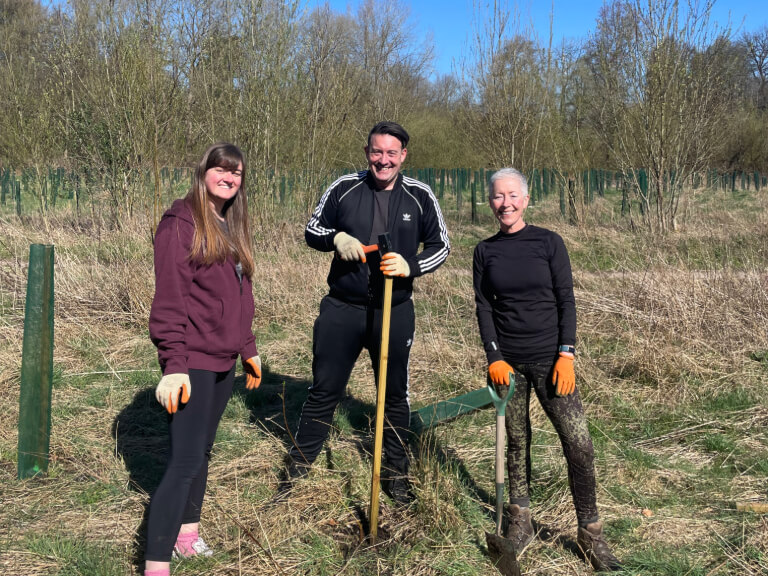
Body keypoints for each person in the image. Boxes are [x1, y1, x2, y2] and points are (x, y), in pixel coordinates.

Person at [283, 121, 450, 505]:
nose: (384, 160)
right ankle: (298, 470)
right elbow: (312, 229)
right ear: (367, 152)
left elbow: (442, 245)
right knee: (324, 391)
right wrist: (336, 238)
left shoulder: (420, 196)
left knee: (393, 396)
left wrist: (412, 266)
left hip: (395, 310)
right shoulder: (344, 188)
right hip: (342, 308)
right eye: (377, 152)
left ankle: (395, 476)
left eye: (392, 153)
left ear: (404, 156)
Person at [473, 168, 621, 571]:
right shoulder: (485, 251)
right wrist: (494, 357)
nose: (505, 203)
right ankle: (520, 522)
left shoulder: (548, 243)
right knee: (517, 442)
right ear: (490, 202)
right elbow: (484, 307)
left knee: (580, 445)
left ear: (526, 198)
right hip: (508, 366)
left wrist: (567, 354)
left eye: (512, 195)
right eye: (498, 196)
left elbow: (566, 300)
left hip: (552, 361)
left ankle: (590, 534)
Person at [143, 142, 262, 576]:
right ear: (204, 171)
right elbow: (170, 302)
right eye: (222, 169)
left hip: (224, 361)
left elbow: (238, 294)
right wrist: (174, 365)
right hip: (191, 361)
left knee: (203, 452)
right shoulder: (181, 223)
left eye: (238, 173)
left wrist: (247, 348)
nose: (229, 178)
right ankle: (156, 565)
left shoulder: (226, 222)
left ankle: (187, 537)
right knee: (185, 461)